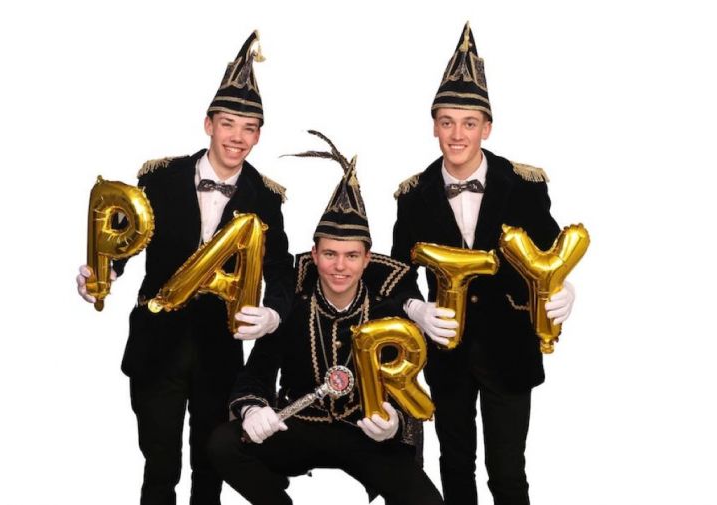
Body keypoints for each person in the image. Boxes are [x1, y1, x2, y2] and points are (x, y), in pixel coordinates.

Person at [76, 31, 294, 505]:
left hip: (220, 351)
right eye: (228, 124)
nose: (237, 137)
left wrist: (273, 314)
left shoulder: (266, 199)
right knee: (160, 465)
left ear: (258, 135)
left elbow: (281, 270)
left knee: (210, 465)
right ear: (208, 124)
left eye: (249, 128)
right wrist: (103, 272)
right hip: (157, 345)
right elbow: (127, 240)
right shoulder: (160, 179)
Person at [391, 23, 577, 505]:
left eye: (469, 123)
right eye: (447, 122)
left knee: (508, 472)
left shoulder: (524, 186)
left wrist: (565, 291)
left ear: (486, 128)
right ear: (434, 126)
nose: (457, 135)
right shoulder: (412, 197)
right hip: (447, 355)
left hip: (510, 348)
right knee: (455, 467)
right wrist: (416, 309)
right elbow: (394, 274)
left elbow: (553, 252)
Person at [207, 132, 444, 505]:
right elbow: (254, 376)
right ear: (314, 255)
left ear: (367, 260)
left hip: (366, 431)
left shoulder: (387, 311)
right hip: (301, 424)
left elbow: (407, 386)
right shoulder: (292, 307)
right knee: (223, 444)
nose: (339, 266)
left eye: (351, 256)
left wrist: (395, 424)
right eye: (330, 254)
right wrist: (253, 409)